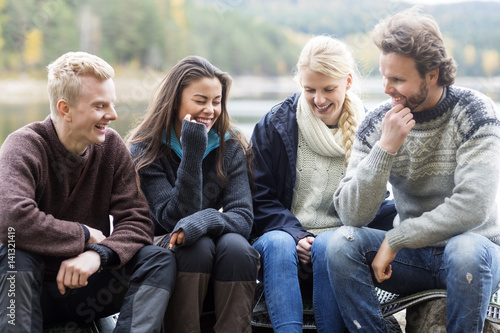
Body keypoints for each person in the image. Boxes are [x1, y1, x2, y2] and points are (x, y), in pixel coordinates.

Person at [327, 6, 500, 333]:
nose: (386, 88)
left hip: (474, 251)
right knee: (340, 244)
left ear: (432, 74)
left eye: (397, 79)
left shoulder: (474, 111)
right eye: (383, 76)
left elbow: (472, 206)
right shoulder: (378, 122)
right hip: (413, 261)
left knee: (465, 250)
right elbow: (351, 214)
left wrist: (395, 240)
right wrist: (384, 149)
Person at [0, 51, 176, 332]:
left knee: (157, 258)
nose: (113, 115)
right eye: (100, 106)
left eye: (112, 104)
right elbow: (10, 218)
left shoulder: (111, 147)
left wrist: (98, 253)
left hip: (85, 288)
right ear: (65, 109)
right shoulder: (23, 146)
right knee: (13, 251)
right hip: (24, 293)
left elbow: (138, 221)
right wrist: (81, 234)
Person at [250, 35, 397, 332]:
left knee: (330, 244)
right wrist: (295, 234)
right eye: (309, 90)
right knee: (278, 243)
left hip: (339, 251)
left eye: (328, 89)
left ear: (348, 82)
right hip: (283, 246)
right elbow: (258, 198)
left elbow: (375, 205)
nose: (319, 99)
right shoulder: (274, 126)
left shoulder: (370, 130)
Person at [127, 55, 259, 333]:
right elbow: (172, 219)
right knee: (196, 248)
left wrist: (208, 219)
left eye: (216, 101)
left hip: (205, 236)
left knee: (237, 248)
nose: (210, 110)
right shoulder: (145, 149)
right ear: (175, 100)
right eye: (200, 101)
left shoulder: (230, 145)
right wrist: (193, 152)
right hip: (162, 242)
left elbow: (243, 217)